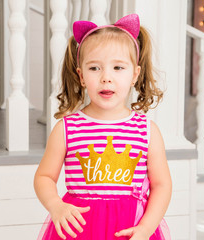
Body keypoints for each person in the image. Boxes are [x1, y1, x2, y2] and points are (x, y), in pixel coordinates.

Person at [34, 14, 172, 240]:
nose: (106, 78)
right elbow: (44, 177)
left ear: (134, 75)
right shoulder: (67, 129)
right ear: (80, 75)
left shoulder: (147, 131)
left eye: (118, 67)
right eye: (95, 68)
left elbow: (162, 185)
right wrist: (56, 206)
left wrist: (146, 228)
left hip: (132, 230)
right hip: (80, 230)